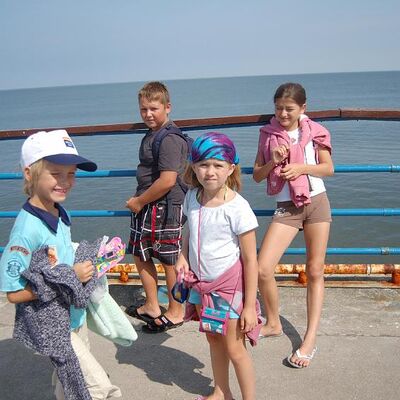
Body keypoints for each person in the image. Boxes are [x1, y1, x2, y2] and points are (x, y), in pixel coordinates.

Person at [0, 129, 122, 398]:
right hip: (53, 323)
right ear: (29, 173)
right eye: (56, 173)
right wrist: (71, 277)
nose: (65, 182)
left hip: (74, 316)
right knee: (97, 388)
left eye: (71, 174)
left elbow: (61, 258)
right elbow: (14, 294)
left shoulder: (59, 211)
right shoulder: (26, 231)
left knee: (69, 381)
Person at [253, 82, 334, 368]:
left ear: (303, 108)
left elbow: (328, 168)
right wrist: (272, 162)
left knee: (315, 270)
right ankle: (273, 323)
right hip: (287, 207)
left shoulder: (315, 131)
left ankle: (309, 339)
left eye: (289, 109)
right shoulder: (267, 134)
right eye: (278, 109)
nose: (283, 114)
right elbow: (257, 176)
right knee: (262, 268)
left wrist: (301, 168)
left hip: (316, 201)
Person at [176, 132, 261, 400]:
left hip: (228, 288)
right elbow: (190, 232)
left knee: (235, 348)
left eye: (217, 165)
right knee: (213, 338)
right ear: (193, 167)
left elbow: (251, 260)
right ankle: (221, 392)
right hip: (201, 286)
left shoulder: (238, 208)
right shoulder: (192, 197)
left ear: (231, 168)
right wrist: (182, 256)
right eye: (203, 165)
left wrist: (249, 306)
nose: (210, 171)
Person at [125, 81, 189, 332]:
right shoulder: (153, 134)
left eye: (154, 108)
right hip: (148, 205)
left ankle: (176, 311)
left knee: (169, 259)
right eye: (144, 109)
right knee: (140, 253)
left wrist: (139, 201)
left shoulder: (169, 138)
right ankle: (152, 305)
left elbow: (168, 180)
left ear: (167, 107)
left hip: (164, 206)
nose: (148, 114)